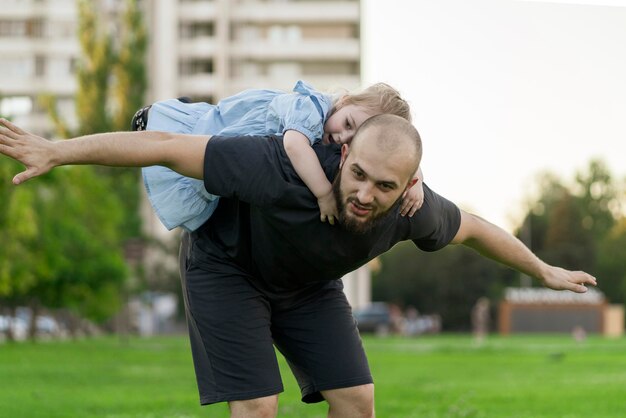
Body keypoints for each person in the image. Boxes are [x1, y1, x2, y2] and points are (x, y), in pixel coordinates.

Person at [0, 115, 596, 418]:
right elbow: (162, 147)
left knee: (358, 399)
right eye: (357, 173)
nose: (363, 193)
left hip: (307, 287)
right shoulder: (278, 168)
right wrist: (57, 151)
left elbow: (474, 229)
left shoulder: (413, 209)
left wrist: (542, 271)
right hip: (227, 268)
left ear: (410, 185)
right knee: (260, 405)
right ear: (344, 152)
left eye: (384, 186)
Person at [135, 80, 424, 231]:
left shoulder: (338, 130)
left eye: (354, 137)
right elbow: (294, 147)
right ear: (345, 100)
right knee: (180, 141)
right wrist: (324, 194)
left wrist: (417, 178)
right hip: (214, 129)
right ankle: (152, 117)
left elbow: (397, 152)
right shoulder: (311, 107)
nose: (341, 138)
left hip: (235, 146)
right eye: (347, 124)